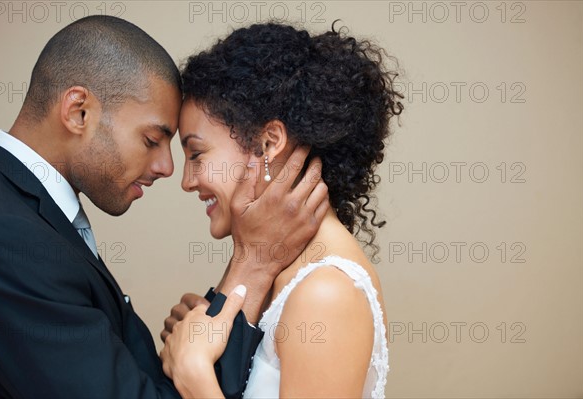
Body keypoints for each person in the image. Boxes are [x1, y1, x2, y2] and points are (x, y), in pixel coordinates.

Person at [0, 16, 329, 398]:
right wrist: (251, 263)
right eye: (152, 140)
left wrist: (201, 332)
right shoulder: (5, 235)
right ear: (78, 111)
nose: (168, 169)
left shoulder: (20, 212)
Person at [160, 22, 403, 398]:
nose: (187, 181)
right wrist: (205, 330)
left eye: (197, 154)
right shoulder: (277, 270)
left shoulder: (326, 293)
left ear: (268, 143)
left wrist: (194, 376)